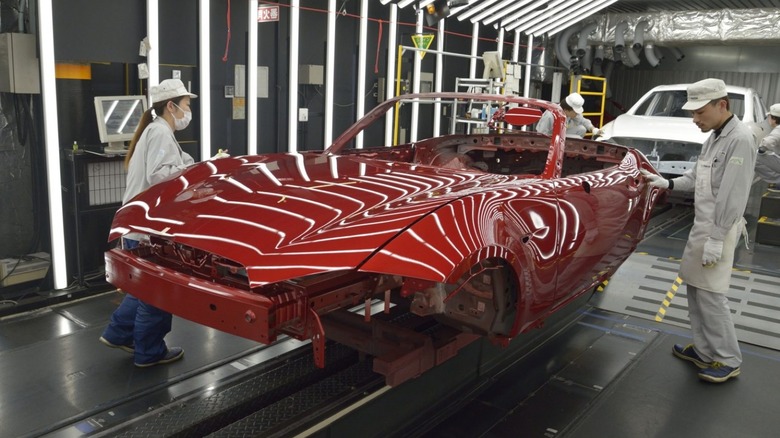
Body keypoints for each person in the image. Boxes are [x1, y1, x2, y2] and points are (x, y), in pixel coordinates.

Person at [642, 78, 756, 383]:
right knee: (695, 290)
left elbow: (733, 196)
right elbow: (697, 176)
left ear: (722, 105)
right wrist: (667, 183)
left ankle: (728, 359)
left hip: (718, 230)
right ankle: (705, 350)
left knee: (712, 295)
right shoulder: (714, 137)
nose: (695, 120)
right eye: (692, 113)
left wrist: (717, 240)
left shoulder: (739, 139)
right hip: (703, 226)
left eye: (700, 113)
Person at [99, 78, 199, 367]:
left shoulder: (155, 131)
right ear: (171, 106)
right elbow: (160, 176)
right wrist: (194, 170)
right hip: (146, 229)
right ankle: (149, 352)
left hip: (135, 226)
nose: (187, 111)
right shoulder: (159, 133)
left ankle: (118, 333)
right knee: (158, 292)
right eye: (186, 105)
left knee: (143, 287)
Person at [536, 92, 600, 138]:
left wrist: (593, 129)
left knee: (582, 129)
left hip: (561, 133)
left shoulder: (571, 112)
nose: (577, 113)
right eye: (575, 112)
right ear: (566, 110)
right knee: (578, 138)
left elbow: (583, 120)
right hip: (550, 137)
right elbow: (541, 134)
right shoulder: (550, 115)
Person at [755, 103, 780, 188]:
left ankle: (778, 180)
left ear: (774, 118)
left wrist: (761, 149)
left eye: (769, 116)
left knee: (754, 157)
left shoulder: (778, 130)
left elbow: (767, 143)